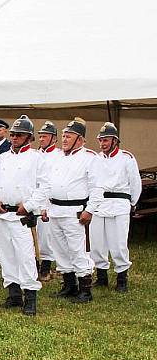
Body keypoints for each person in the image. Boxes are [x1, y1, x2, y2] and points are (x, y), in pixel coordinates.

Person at [0, 116, 50, 316]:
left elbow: (44, 187)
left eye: (20, 135)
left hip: (22, 215)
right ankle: (13, 293)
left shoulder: (37, 158)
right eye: (13, 134)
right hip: (2, 214)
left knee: (25, 257)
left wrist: (30, 205)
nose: (15, 138)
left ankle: (30, 296)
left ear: (29, 138)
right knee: (6, 255)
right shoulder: (2, 158)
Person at [46, 117, 103, 303]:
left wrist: (90, 209)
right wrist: (45, 206)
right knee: (60, 250)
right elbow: (48, 184)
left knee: (77, 250)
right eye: (63, 136)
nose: (64, 139)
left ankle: (85, 288)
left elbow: (97, 187)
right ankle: (69, 285)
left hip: (75, 212)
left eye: (68, 136)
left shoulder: (90, 158)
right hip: (55, 210)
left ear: (80, 139)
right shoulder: (56, 157)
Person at [90, 122, 141, 292]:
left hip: (119, 203)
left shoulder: (126, 158)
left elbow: (135, 182)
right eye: (101, 141)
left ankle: (121, 277)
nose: (103, 144)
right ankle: (101, 275)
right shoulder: (96, 159)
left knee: (118, 242)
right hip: (99, 204)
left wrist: (132, 202)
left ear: (115, 141)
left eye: (106, 140)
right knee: (97, 242)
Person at [36, 121, 61, 281]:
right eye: (40, 136)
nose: (41, 139)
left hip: (49, 199)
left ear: (54, 138)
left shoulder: (59, 155)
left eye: (44, 136)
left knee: (47, 236)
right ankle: (35, 265)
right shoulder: (35, 154)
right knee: (35, 234)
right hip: (34, 197)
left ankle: (46, 267)